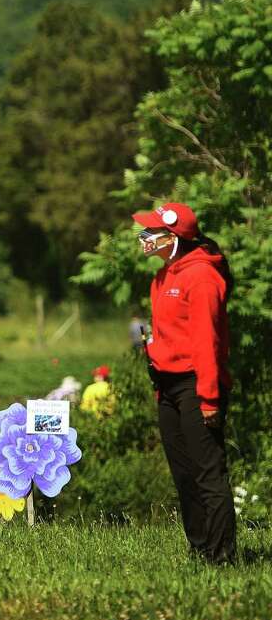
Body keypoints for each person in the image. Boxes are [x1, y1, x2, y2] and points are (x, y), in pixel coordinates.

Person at [133, 202, 236, 564]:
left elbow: (206, 343)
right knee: (183, 474)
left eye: (151, 232)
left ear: (173, 236)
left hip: (198, 385)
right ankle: (199, 550)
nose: (144, 237)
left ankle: (222, 558)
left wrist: (209, 399)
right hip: (169, 387)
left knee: (209, 474)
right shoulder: (162, 277)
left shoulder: (203, 277)